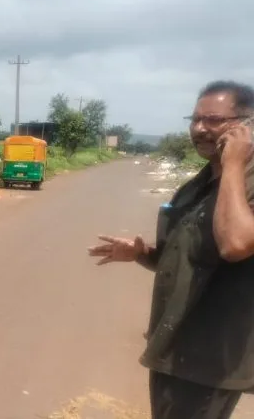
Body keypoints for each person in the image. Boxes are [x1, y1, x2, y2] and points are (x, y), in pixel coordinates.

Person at [89, 80, 254, 419]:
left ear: (246, 125)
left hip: (213, 358)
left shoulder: (243, 179)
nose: (199, 129)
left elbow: (237, 244)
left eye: (213, 120)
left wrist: (235, 164)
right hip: (175, 346)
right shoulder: (202, 182)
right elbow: (190, 257)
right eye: (194, 119)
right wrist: (141, 253)